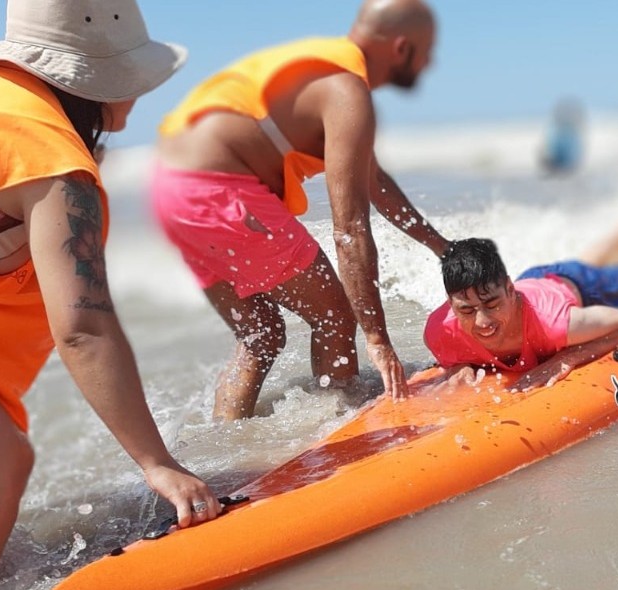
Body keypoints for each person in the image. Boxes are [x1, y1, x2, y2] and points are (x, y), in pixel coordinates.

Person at [0, 0, 221, 590]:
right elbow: (83, 329)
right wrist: (157, 463)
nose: (136, 100)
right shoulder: (48, 160)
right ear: (99, 84)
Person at [152, 0, 451, 421]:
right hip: (219, 190)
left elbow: (373, 181)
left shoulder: (321, 71)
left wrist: (441, 247)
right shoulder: (346, 90)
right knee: (335, 315)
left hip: (169, 190)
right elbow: (349, 230)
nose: (429, 63)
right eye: (427, 52)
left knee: (259, 334)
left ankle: (225, 449)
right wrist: (378, 340)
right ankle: (340, 431)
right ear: (402, 48)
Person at [424, 227, 618, 390]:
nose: (482, 321)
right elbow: (473, 315)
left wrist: (568, 357)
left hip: (578, 286)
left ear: (509, 290)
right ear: (451, 304)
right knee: (578, 264)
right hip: (537, 285)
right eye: (467, 311)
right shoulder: (440, 334)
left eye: (491, 305)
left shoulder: (556, 324)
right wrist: (460, 365)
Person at [538, 98, 585, 176]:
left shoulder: (569, 134)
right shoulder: (558, 133)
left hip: (566, 164)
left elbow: (573, 153)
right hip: (561, 163)